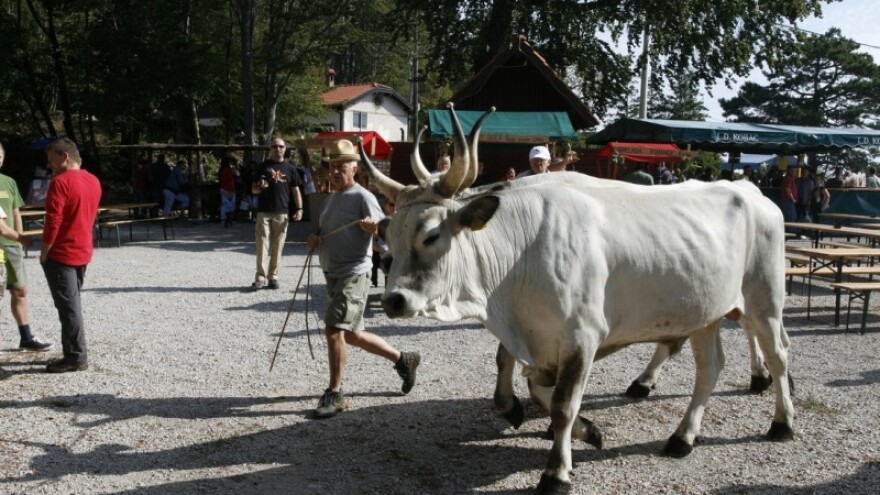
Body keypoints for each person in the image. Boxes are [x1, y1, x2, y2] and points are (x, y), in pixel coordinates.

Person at [305, 139, 420, 419]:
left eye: (340, 166)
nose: (334, 171)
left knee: (333, 329)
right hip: (332, 274)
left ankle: (335, 393)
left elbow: (388, 231)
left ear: (354, 168)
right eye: (331, 166)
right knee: (351, 335)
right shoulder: (331, 198)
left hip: (354, 273)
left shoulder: (362, 197)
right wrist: (315, 240)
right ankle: (402, 359)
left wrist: (375, 230)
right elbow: (323, 231)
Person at [41, 137, 102, 373]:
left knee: (68, 308)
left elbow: (53, 221)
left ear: (64, 157)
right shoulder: (93, 180)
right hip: (83, 250)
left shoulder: (59, 182)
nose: (49, 165)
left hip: (62, 253)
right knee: (72, 304)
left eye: (51, 159)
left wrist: (44, 252)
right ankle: (74, 351)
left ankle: (76, 356)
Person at [0, 142, 51, 351]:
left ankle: (26, 337)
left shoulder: (8, 182)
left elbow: (15, 212)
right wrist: (21, 238)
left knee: (20, 291)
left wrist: (19, 239)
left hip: (12, 246)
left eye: (0, 155)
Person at [251, 137, 303, 290]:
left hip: (282, 212)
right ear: (270, 148)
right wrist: (260, 188)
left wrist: (300, 209)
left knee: (278, 246)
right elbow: (253, 190)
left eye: (280, 146)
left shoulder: (291, 168)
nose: (277, 149)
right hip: (264, 211)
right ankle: (260, 277)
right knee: (262, 245)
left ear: (285, 148)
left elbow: (296, 190)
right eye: (274, 146)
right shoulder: (262, 167)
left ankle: (273, 277)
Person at [218, 156, 238, 227]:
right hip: (228, 189)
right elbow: (227, 181)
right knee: (228, 205)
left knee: (226, 205)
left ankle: (226, 219)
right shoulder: (227, 170)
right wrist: (229, 190)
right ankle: (227, 219)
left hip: (226, 188)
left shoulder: (222, 169)